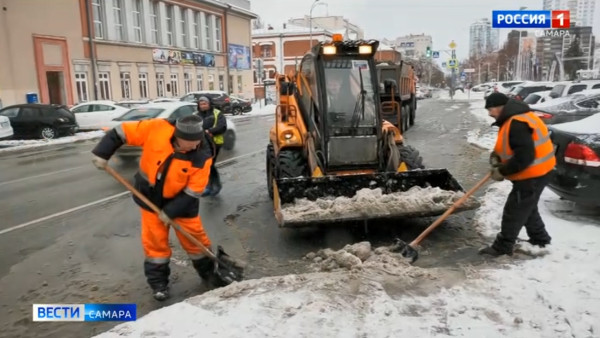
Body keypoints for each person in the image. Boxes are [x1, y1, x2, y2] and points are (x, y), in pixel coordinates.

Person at [91, 115, 222, 301]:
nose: (194, 146)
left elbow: (193, 191)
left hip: (183, 202)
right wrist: (102, 153)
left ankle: (209, 274)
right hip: (149, 197)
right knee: (155, 243)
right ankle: (158, 284)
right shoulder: (157, 129)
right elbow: (120, 132)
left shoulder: (203, 155)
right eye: (190, 143)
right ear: (177, 136)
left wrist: (170, 212)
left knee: (194, 239)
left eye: (197, 141)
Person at [479, 92, 556, 257]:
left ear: (500, 108)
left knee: (514, 210)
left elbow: (524, 156)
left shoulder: (517, 123)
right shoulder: (518, 117)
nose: (489, 114)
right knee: (527, 207)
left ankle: (503, 246)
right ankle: (540, 239)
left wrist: (503, 170)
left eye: (490, 110)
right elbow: (513, 146)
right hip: (540, 172)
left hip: (532, 174)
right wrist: (497, 157)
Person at [196, 96, 227, 196]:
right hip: (202, 143)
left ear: (209, 104)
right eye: (201, 104)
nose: (203, 106)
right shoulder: (196, 115)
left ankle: (214, 186)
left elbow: (222, 127)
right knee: (206, 165)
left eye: (205, 103)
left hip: (215, 143)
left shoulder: (217, 113)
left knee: (209, 164)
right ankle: (209, 186)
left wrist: (210, 131)